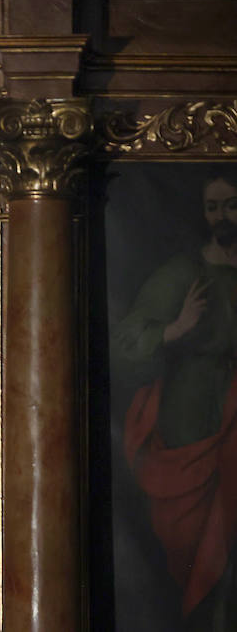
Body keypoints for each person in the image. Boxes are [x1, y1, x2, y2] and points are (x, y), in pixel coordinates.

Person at [115, 169, 237, 629]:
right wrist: (175, 329)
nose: (222, 216)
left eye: (231, 204)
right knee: (188, 536)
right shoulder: (186, 272)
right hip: (192, 415)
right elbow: (126, 340)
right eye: (213, 206)